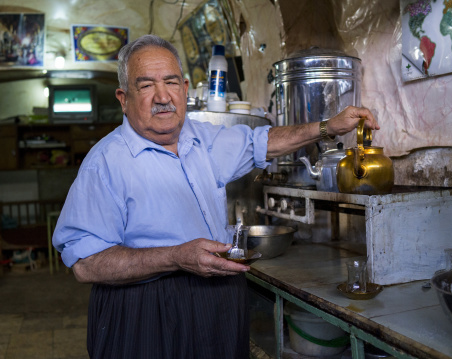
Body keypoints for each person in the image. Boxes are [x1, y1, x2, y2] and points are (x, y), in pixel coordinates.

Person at [53, 34, 379, 359]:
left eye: (170, 83)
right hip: (145, 309)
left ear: (183, 87)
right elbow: (86, 263)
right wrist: (174, 256)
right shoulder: (106, 163)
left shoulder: (202, 138)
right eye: (146, 86)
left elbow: (263, 143)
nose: (163, 96)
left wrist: (329, 127)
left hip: (219, 301)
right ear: (123, 99)